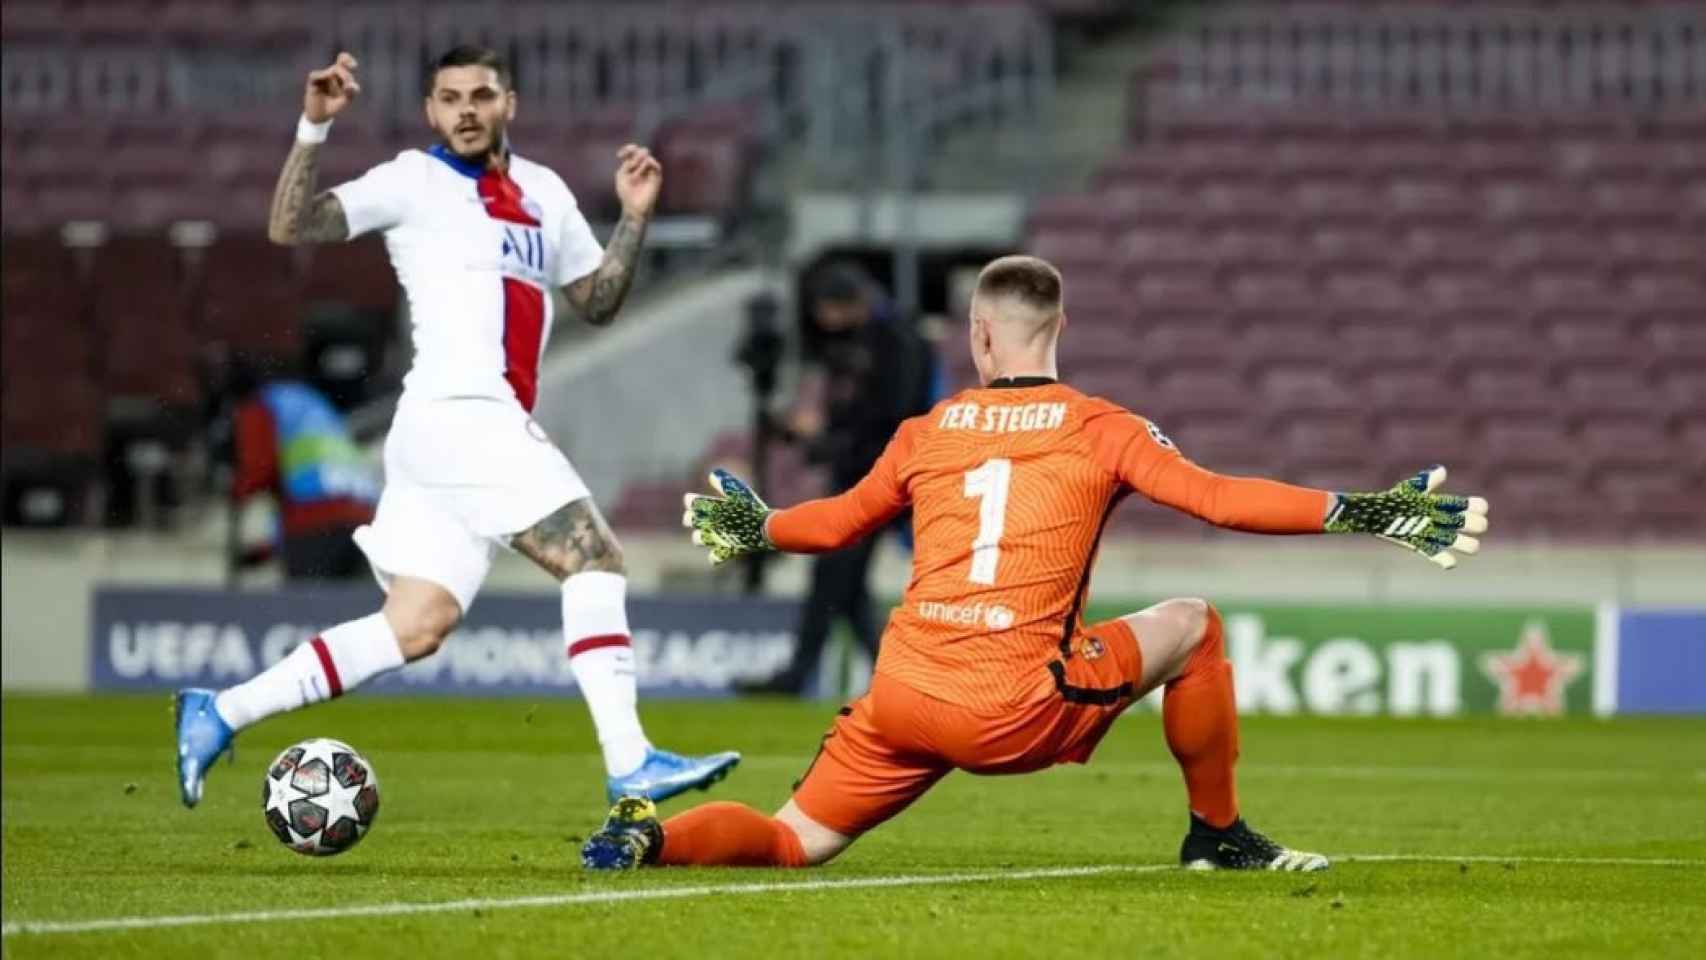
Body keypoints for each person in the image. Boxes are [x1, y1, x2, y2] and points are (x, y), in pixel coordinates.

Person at [582, 255, 1489, 871]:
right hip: (1009, 704)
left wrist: (758, 525)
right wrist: (1370, 512)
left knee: (790, 841)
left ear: (979, 337)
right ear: (1059, 326)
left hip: (902, 693)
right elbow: (1218, 499)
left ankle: (652, 842)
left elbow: (832, 528)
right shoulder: (1101, 426)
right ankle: (1217, 836)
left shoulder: (926, 431)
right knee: (1195, 624)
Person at [173, 46, 740, 808]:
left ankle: (221, 711)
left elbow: (596, 301)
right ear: (431, 112)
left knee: (415, 624)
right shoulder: (415, 179)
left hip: (450, 435)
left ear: (510, 102)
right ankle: (629, 758)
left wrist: (634, 220)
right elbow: (291, 224)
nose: (465, 109)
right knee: (594, 559)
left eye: (480, 94)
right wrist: (313, 127)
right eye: (449, 98)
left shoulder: (545, 192)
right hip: (460, 412)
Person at [735, 262, 934, 696]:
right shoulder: (880, 340)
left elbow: (888, 419)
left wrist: (824, 438)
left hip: (876, 479)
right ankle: (895, 675)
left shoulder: (895, 344)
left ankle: (814, 674)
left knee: (836, 574)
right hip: (860, 474)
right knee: (843, 582)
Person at [226, 367, 378, 581]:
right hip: (365, 520)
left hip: (315, 524)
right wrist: (267, 550)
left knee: (308, 609)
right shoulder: (313, 405)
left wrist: (236, 491)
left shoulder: (260, 406)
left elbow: (259, 469)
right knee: (353, 607)